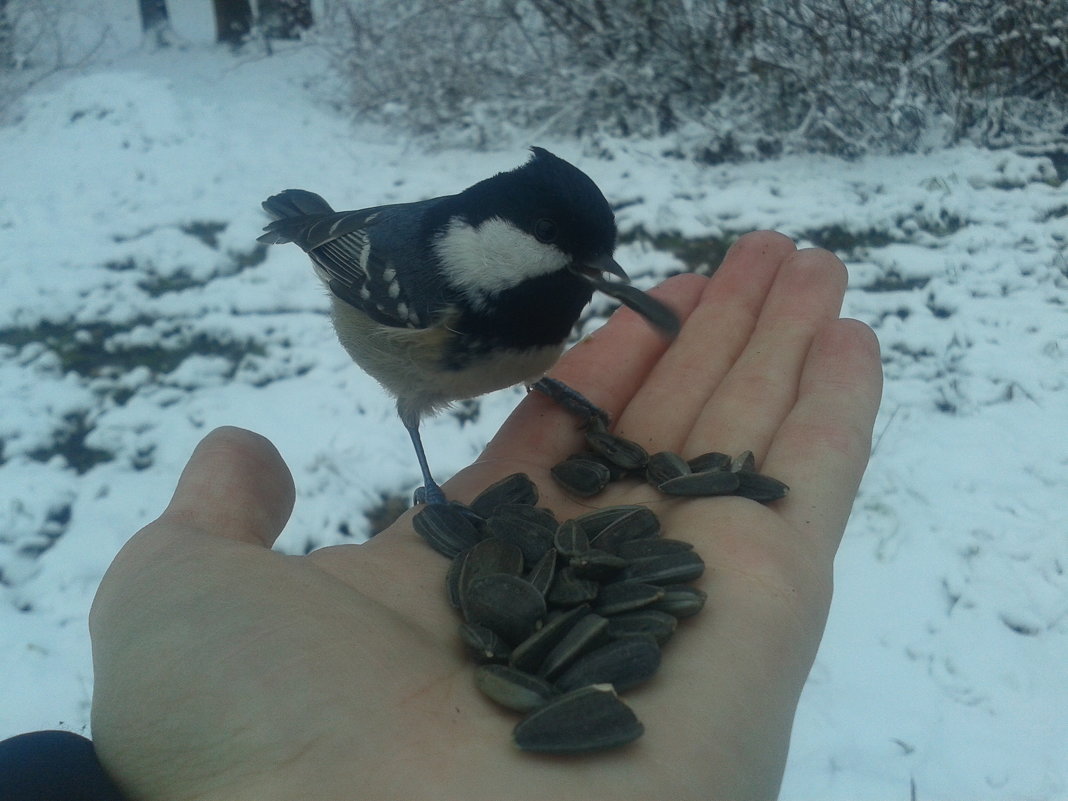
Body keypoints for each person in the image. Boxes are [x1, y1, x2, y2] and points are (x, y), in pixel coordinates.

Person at [1, 232, 882, 800]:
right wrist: (315, 227)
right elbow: (352, 258)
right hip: (404, 323)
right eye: (574, 261)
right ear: (496, 245)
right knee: (423, 405)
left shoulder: (546, 293)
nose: (596, 282)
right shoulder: (430, 285)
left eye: (595, 265)